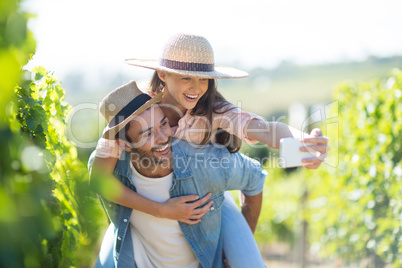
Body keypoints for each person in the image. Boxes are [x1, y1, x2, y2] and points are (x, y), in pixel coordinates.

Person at [91, 33, 329, 266]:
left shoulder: (214, 110)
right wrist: (161, 211)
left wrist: (304, 141)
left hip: (210, 195)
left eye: (203, 79)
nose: (197, 88)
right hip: (145, 207)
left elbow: (265, 129)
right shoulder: (137, 108)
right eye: (187, 78)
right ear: (162, 74)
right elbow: (99, 177)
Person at [88, 81, 266, 267]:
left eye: (163, 123)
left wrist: (239, 243)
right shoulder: (110, 169)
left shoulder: (206, 163)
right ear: (123, 144)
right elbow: (100, 185)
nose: (163, 137)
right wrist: (161, 210)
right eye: (148, 134)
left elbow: (255, 177)